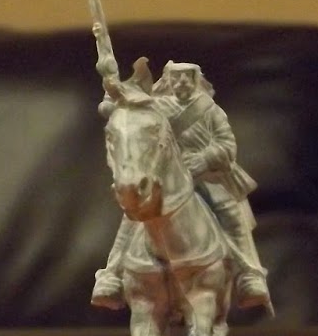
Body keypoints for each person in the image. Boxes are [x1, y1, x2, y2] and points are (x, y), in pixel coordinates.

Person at [92, 61, 271, 310]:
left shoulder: (210, 110)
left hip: (206, 177)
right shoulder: (156, 108)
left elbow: (227, 145)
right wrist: (112, 92)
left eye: (187, 76)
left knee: (230, 210)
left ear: (197, 80)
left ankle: (249, 274)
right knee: (133, 217)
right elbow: (126, 114)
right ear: (167, 81)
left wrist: (204, 159)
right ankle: (112, 274)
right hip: (168, 180)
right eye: (176, 77)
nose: (182, 82)